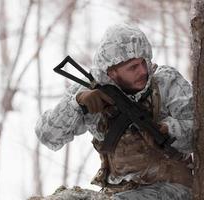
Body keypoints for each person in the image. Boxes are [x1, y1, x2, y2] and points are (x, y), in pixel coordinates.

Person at [35, 24, 193, 200]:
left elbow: (203, 133)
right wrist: (76, 104)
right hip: (116, 192)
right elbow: (48, 137)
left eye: (143, 62)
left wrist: (167, 129)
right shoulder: (90, 89)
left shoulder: (166, 82)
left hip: (172, 187)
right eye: (133, 67)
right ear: (111, 72)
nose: (143, 70)